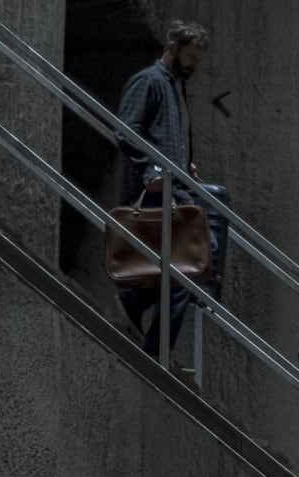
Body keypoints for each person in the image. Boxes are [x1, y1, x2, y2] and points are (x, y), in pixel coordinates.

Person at [115, 19, 229, 358]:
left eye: (198, 59)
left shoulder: (172, 86)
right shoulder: (148, 81)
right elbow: (126, 130)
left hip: (173, 191)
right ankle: (147, 335)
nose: (194, 66)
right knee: (194, 264)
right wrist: (151, 169)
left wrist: (182, 164)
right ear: (171, 46)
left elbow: (160, 138)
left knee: (188, 275)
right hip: (153, 193)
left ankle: (137, 310)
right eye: (190, 57)